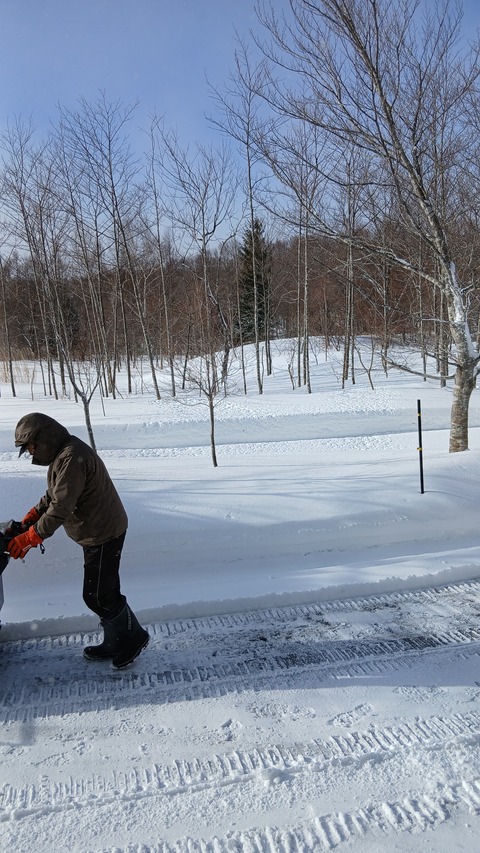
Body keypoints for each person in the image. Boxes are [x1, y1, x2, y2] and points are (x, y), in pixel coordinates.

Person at [7, 412, 149, 668]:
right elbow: (54, 495)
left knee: (98, 595)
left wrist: (31, 537)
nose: (30, 453)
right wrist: (33, 515)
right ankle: (115, 640)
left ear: (44, 437)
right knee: (103, 592)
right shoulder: (63, 455)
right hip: (95, 531)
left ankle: (134, 636)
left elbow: (61, 507)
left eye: (31, 447)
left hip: (104, 532)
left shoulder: (71, 457)